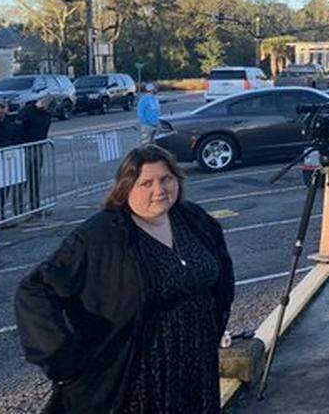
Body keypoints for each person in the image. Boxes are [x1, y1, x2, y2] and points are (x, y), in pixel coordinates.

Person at [16, 145, 234, 413]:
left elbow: (220, 275)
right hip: (137, 376)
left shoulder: (193, 220)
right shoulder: (101, 235)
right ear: (126, 188)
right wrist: (64, 356)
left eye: (166, 179)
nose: (159, 190)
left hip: (195, 364)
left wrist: (215, 323)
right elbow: (36, 289)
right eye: (146, 183)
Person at [17, 95, 53, 213]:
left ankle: (35, 206)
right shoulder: (27, 111)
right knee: (22, 180)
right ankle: (18, 209)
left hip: (38, 147)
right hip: (25, 148)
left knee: (35, 178)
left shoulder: (47, 114)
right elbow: (18, 129)